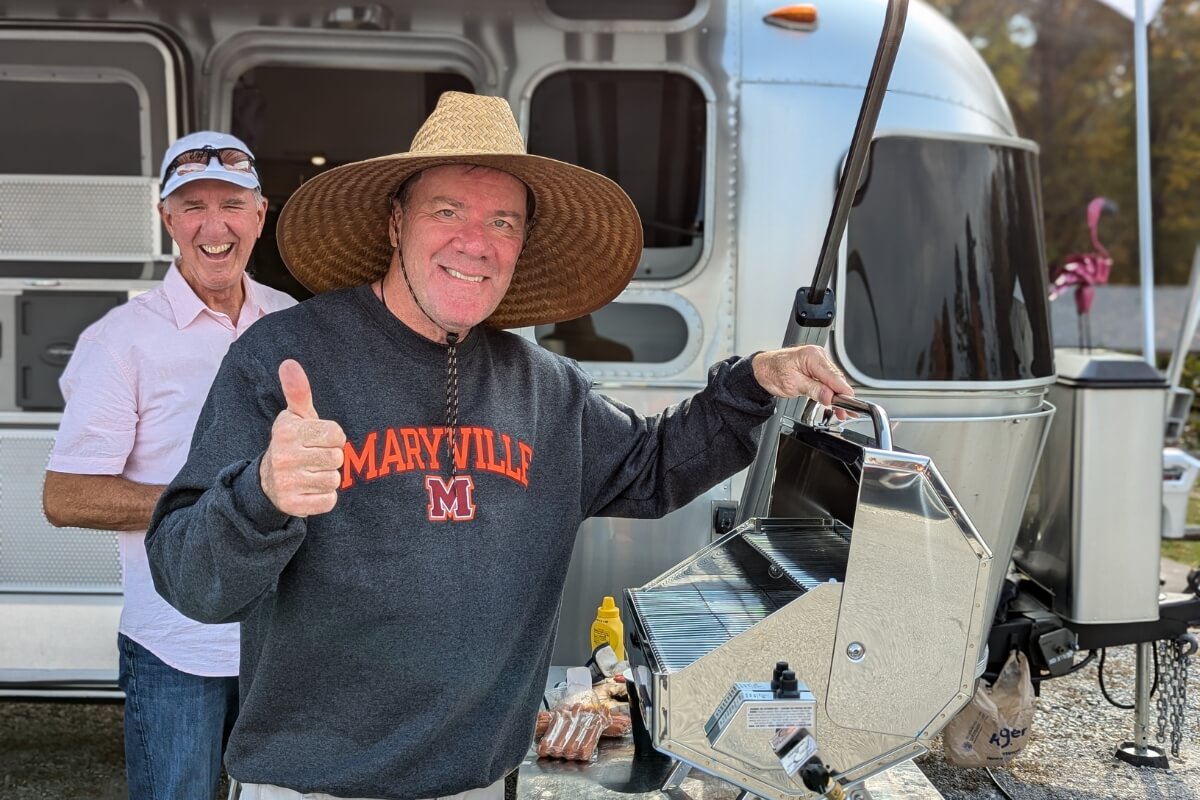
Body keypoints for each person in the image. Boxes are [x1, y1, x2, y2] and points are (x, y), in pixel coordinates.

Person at [144, 92, 852, 800]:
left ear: (521, 244)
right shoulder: (286, 356)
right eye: (447, 211)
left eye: (502, 221)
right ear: (397, 223)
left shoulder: (546, 388)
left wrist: (753, 384)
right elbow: (190, 581)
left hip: (479, 785)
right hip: (308, 789)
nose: (474, 241)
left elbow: (656, 467)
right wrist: (262, 496)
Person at [42, 131, 296, 799]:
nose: (214, 226)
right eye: (192, 206)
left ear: (261, 215)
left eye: (232, 205)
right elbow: (66, 497)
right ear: (167, 220)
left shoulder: (292, 322)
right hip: (175, 641)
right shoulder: (120, 340)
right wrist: (210, 509)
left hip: (280, 640)